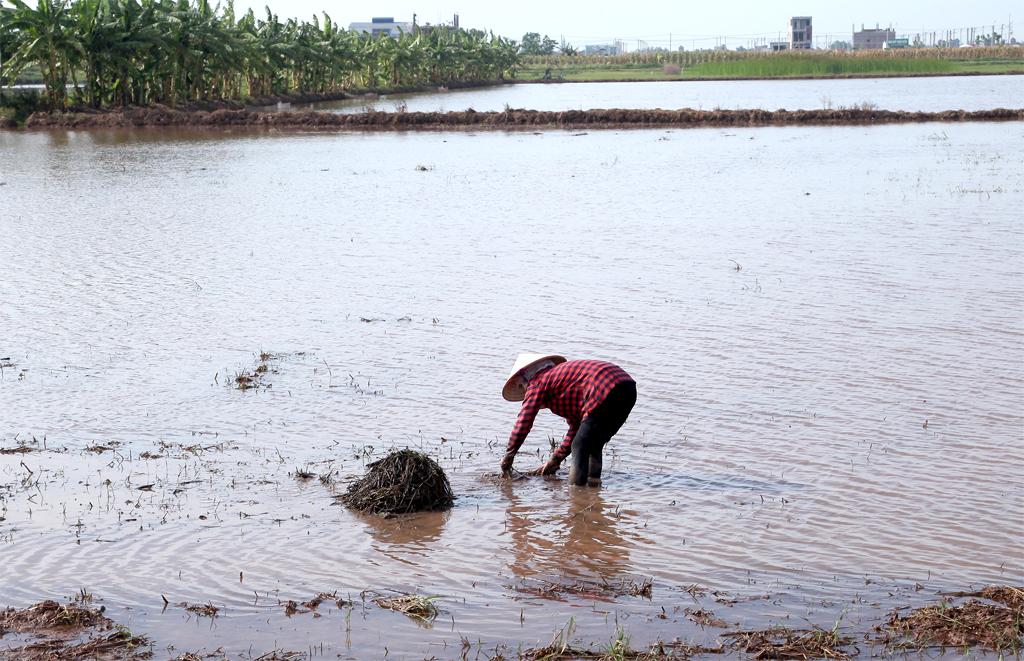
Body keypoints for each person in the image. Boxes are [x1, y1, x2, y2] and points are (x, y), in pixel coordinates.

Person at [499, 353, 637, 486]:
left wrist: (509, 454)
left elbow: (524, 421)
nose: (525, 394)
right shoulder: (559, 383)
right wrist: (556, 459)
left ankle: (577, 493)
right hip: (627, 387)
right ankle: (593, 489)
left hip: (603, 385)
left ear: (524, 380)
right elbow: (576, 428)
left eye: (522, 388)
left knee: (580, 446)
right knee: (593, 443)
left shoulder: (537, 382)